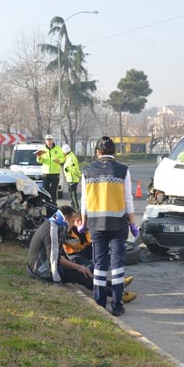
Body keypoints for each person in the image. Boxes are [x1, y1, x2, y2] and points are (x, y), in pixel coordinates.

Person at [79, 136, 139, 317]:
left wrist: (83, 222)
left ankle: (99, 303)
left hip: (96, 224)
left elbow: (84, 201)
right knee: (117, 264)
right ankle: (117, 305)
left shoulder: (87, 171)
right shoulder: (122, 170)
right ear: (114, 152)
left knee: (99, 264)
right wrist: (133, 224)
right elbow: (128, 199)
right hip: (118, 223)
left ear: (97, 152)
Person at [28, 205, 136, 301]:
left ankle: (116, 287)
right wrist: (57, 282)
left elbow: (59, 255)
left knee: (83, 271)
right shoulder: (52, 229)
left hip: (45, 265)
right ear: (66, 218)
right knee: (82, 276)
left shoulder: (55, 225)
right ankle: (117, 294)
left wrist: (77, 267)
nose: (72, 224)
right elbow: (54, 258)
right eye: (72, 220)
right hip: (40, 270)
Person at [35, 134, 65, 204]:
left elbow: (63, 158)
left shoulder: (58, 148)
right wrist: (39, 157)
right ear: (45, 141)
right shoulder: (42, 149)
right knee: (46, 190)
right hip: (46, 173)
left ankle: (54, 203)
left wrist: (59, 160)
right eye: (47, 140)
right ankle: (47, 203)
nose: (49, 141)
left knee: (54, 190)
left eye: (50, 139)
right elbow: (39, 161)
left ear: (52, 140)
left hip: (55, 173)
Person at [62, 144, 81, 209]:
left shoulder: (71, 158)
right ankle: (74, 207)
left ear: (65, 152)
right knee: (71, 195)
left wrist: (79, 175)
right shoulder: (69, 157)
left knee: (73, 195)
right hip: (70, 179)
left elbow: (74, 169)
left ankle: (75, 208)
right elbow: (69, 167)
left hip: (72, 179)